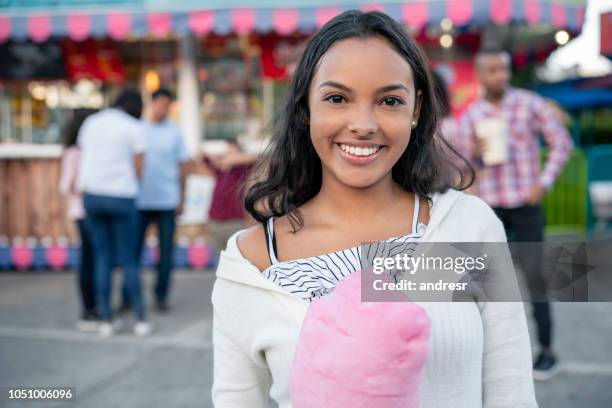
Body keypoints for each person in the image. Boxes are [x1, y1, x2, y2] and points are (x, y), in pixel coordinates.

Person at [212, 10, 538, 408]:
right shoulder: (249, 265)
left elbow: (512, 389)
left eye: (389, 100)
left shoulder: (468, 227)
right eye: (337, 98)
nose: (363, 123)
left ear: (415, 110)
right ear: (304, 108)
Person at [456, 49, 573, 380]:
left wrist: (543, 183)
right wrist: (475, 155)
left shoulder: (530, 104)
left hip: (525, 204)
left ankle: (547, 351)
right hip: (491, 210)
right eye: (493, 70)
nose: (501, 76)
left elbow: (562, 143)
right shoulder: (471, 116)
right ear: (480, 75)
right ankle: (491, 356)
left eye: (504, 69)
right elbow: (462, 167)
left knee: (535, 279)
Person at [77, 89, 152, 337]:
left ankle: (106, 321)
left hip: (92, 196)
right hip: (122, 197)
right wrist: (135, 186)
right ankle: (140, 320)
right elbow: (139, 165)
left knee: (103, 259)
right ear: (135, 107)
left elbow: (82, 155)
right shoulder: (133, 127)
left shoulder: (91, 122)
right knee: (129, 259)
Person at [130, 88, 190, 312]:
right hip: (140, 201)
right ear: (152, 104)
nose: (163, 109)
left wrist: (182, 199)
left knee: (166, 254)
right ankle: (129, 296)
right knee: (133, 252)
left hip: (167, 200)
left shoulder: (175, 133)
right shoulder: (138, 130)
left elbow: (183, 167)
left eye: (167, 105)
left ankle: (161, 296)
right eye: (160, 104)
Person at [58, 108, 98, 331]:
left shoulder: (93, 150)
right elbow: (66, 185)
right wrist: (86, 189)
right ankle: (88, 310)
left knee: (97, 261)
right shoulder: (74, 152)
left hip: (96, 211)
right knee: (89, 261)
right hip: (84, 212)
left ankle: (97, 308)